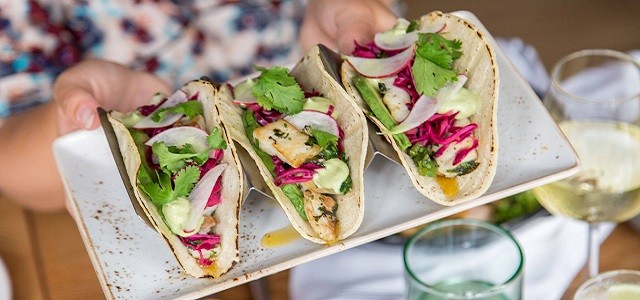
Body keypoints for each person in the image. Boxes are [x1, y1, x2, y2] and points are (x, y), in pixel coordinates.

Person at [0, 0, 398, 212]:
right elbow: (14, 167)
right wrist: (82, 125)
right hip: (162, 166)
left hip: (329, 111)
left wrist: (342, 18)